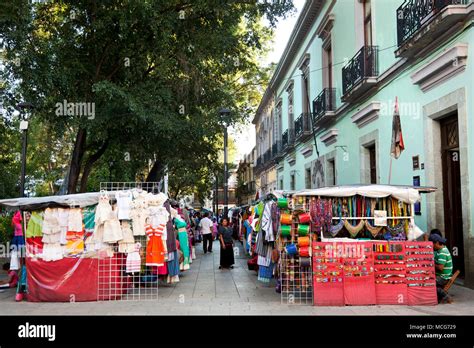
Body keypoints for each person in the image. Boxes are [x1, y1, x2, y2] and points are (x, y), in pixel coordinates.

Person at [430, 234, 453, 304]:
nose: (431, 246)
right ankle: (439, 297)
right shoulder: (442, 249)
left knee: (429, 283)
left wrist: (432, 263)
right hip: (443, 275)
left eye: (432, 244)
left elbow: (440, 268)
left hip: (444, 277)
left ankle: (445, 295)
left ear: (436, 243)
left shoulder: (442, 252)